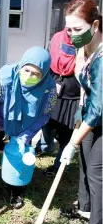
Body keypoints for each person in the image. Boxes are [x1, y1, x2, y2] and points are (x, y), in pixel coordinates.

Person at [0, 47, 57, 210]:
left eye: (35, 74)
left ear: (44, 75)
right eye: (26, 70)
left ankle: (16, 190)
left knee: (19, 155)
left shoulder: (48, 89)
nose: (28, 76)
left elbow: (44, 115)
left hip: (23, 124)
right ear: (21, 66)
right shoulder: (4, 78)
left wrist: (25, 136)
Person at [59, 0, 102, 224]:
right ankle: (85, 209)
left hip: (99, 115)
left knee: (97, 174)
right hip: (89, 111)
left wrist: (72, 142)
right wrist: (79, 109)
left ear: (94, 25)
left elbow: (98, 109)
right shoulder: (84, 46)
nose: (72, 34)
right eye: (69, 29)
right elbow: (85, 87)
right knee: (85, 163)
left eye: (77, 29)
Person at [35, 28, 80, 176]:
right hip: (53, 92)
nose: (71, 32)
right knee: (46, 123)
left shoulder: (85, 44)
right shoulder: (56, 39)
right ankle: (45, 147)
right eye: (69, 28)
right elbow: (47, 63)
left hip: (73, 98)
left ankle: (59, 165)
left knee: (67, 133)